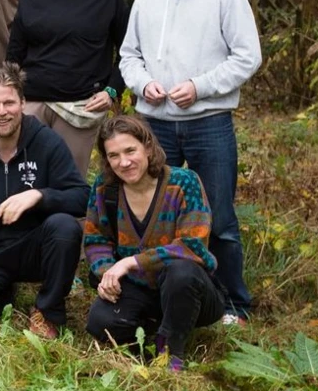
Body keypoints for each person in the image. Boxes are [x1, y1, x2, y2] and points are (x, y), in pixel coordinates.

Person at [119, 0, 261, 324]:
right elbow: (129, 55)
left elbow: (247, 56)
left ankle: (232, 304)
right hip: (155, 123)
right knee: (153, 211)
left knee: (218, 216)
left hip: (208, 121)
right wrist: (143, 84)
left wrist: (199, 87)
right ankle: (163, 292)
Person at [0, 63, 88, 339]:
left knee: (65, 227)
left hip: (35, 247)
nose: (2, 112)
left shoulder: (46, 142)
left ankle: (49, 310)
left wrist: (39, 195)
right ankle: (1, 291)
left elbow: (82, 197)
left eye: (9, 102)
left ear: (22, 103)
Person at [84, 115, 225, 371]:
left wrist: (130, 262)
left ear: (147, 147)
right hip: (138, 289)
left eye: (130, 150)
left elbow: (191, 245)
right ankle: (152, 331)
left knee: (181, 271)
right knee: (99, 322)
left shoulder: (183, 182)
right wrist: (107, 274)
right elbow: (96, 239)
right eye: (114, 155)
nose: (124, 162)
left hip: (189, 290)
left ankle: (171, 351)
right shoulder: (106, 188)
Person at [7, 0, 129, 177]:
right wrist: (13, 96)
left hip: (80, 106)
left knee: (68, 182)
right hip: (32, 103)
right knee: (25, 178)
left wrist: (111, 91)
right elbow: (15, 51)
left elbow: (129, 50)